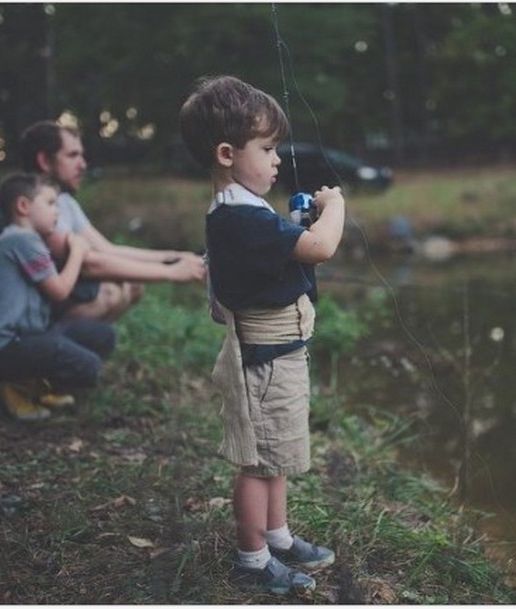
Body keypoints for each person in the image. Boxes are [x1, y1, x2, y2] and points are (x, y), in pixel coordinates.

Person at [179, 75, 346, 595]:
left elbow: (271, 257)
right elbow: (318, 249)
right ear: (227, 153)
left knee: (276, 455)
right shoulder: (238, 216)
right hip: (266, 360)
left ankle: (276, 535)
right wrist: (335, 208)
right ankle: (252, 559)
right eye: (268, 148)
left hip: (281, 353)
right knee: (258, 463)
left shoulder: (244, 210)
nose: (277, 159)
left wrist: (295, 220)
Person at [0, 120, 207, 339]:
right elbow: (90, 264)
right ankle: (37, 367)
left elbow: (107, 249)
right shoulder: (33, 206)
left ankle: (54, 360)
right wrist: (173, 273)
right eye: (72, 155)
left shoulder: (60, 200)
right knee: (108, 292)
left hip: (17, 304)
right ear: (44, 160)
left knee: (131, 285)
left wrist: (175, 256)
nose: (83, 164)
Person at [0, 173, 116, 421]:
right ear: (23, 207)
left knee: (103, 335)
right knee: (89, 367)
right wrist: (78, 251)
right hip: (4, 347)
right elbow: (60, 290)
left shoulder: (26, 240)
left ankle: (37, 383)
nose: (57, 212)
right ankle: (15, 386)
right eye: (50, 203)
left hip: (28, 337)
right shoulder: (21, 240)